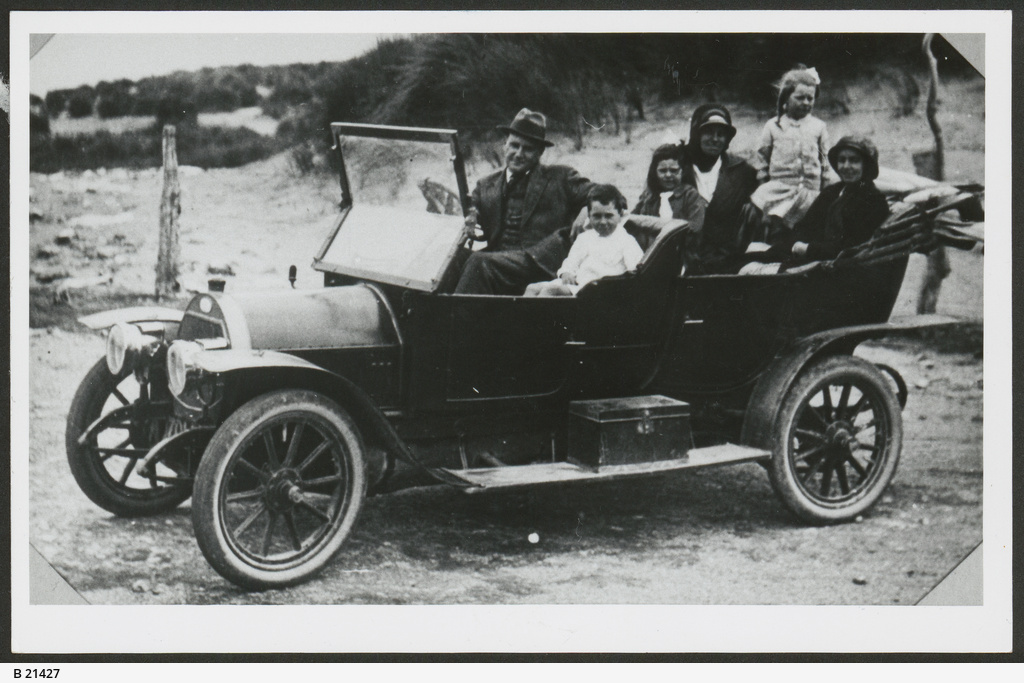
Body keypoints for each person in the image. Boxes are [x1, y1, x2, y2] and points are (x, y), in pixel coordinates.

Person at [454, 108, 594, 295]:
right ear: (505, 146)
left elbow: (610, 197)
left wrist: (587, 208)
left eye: (528, 149)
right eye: (514, 145)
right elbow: (471, 212)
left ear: (539, 152)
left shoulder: (560, 177)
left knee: (479, 262)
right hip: (500, 261)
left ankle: (454, 322)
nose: (519, 153)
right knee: (452, 259)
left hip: (540, 261)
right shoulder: (486, 184)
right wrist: (469, 219)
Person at [740, 135, 889, 274]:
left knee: (749, 270)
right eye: (842, 160)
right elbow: (806, 226)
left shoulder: (873, 200)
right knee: (745, 256)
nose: (846, 166)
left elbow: (852, 247)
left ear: (867, 165)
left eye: (854, 160)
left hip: (832, 269)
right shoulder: (833, 191)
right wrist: (791, 246)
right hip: (808, 255)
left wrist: (808, 249)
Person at [750, 66, 836, 244]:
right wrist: (764, 196)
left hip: (810, 193)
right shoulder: (773, 126)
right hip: (780, 192)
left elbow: (825, 164)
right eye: (800, 97)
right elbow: (762, 162)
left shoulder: (818, 127)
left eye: (810, 98)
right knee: (778, 233)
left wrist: (826, 195)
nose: (806, 102)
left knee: (806, 232)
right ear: (785, 99)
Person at [679, 103, 759, 274]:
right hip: (683, 258)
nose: (715, 139)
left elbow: (757, 209)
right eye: (708, 132)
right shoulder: (677, 166)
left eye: (721, 134)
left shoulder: (742, 171)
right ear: (696, 134)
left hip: (726, 260)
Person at [524, 184, 643, 297]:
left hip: (599, 290)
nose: (602, 222)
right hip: (578, 284)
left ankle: (539, 318)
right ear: (589, 216)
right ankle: (522, 318)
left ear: (620, 216)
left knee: (552, 291)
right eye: (596, 216)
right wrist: (566, 272)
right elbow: (572, 261)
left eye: (608, 216)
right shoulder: (585, 238)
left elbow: (634, 272)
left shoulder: (626, 241)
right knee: (532, 288)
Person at [631, 143, 706, 272]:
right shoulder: (648, 197)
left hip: (682, 256)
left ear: (682, 171)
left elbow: (694, 228)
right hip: (649, 255)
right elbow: (631, 220)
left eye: (674, 170)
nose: (668, 175)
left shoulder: (690, 196)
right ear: (655, 172)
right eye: (662, 171)